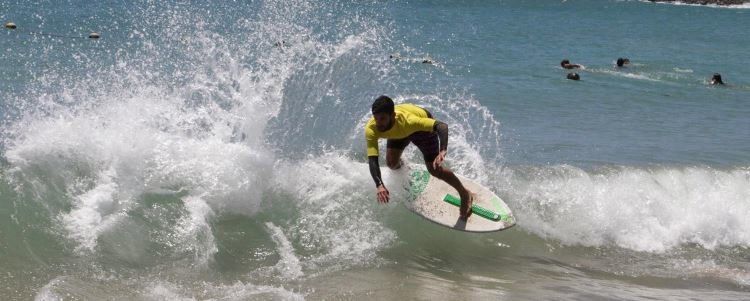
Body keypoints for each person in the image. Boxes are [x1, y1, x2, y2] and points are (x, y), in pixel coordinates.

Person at [364, 96, 474, 220]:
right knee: (391, 164)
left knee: (434, 169)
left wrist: (443, 150)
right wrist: (379, 185)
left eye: (382, 118)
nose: (378, 123)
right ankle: (405, 168)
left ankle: (465, 194)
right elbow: (373, 159)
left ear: (393, 115)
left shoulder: (411, 121)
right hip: (399, 130)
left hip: (420, 130)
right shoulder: (372, 128)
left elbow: (442, 126)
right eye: (376, 118)